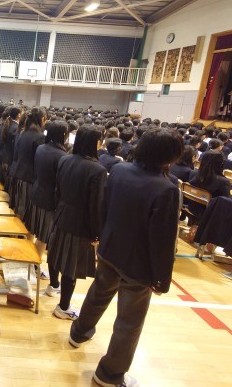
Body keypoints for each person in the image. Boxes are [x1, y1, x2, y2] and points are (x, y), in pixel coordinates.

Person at [69, 128, 184, 387]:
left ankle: (78, 333)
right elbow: (163, 240)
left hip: (110, 249)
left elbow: (104, 208)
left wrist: (101, 238)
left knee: (98, 294)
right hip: (138, 264)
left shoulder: (120, 170)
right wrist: (162, 280)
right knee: (129, 322)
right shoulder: (167, 189)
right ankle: (109, 374)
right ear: (170, 156)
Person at [48, 124, 107, 320]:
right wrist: (96, 233)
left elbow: (57, 190)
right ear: (95, 142)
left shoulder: (65, 159)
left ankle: (52, 287)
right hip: (80, 224)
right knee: (71, 268)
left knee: (56, 256)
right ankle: (63, 307)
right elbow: (95, 206)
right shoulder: (97, 170)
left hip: (61, 215)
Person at [26, 120, 68, 295]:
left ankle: (29, 262)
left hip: (36, 191)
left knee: (32, 229)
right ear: (63, 135)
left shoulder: (41, 148)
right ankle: (33, 266)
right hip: (50, 199)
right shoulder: (61, 155)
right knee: (43, 235)